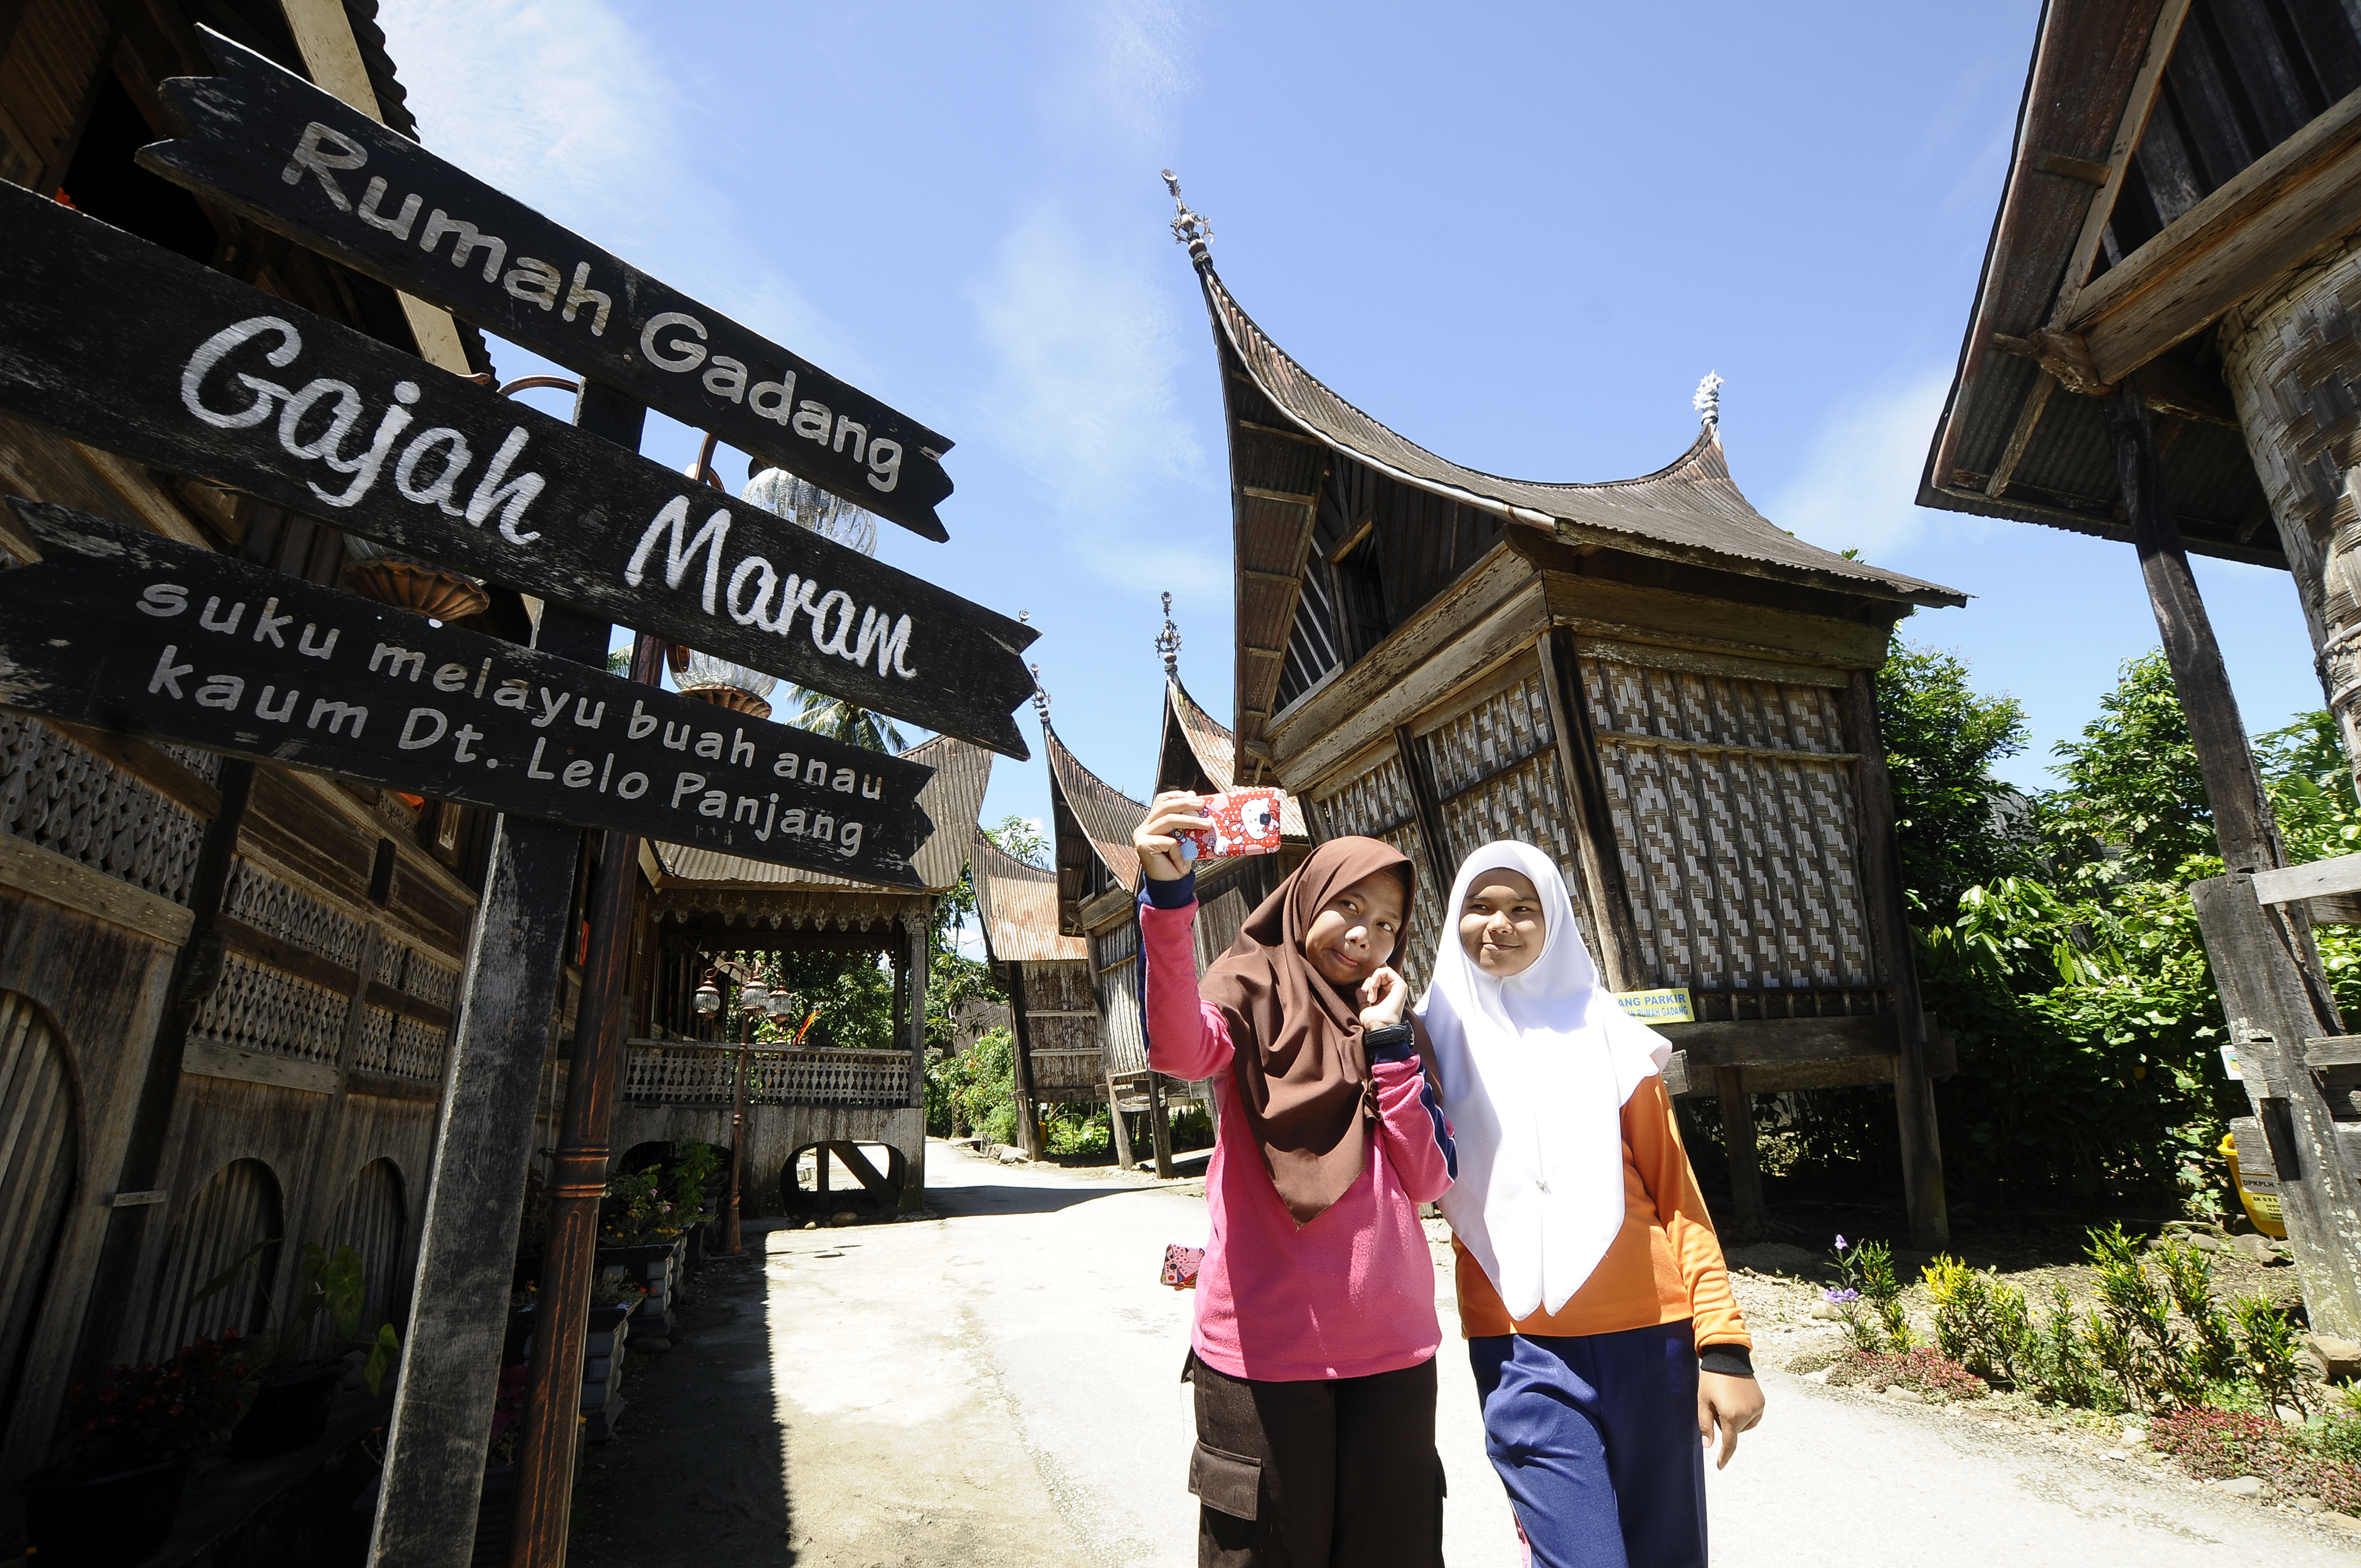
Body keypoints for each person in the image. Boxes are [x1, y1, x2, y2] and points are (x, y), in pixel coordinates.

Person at [1132, 790, 1458, 1568]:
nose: (1367, 936)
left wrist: (1388, 1050)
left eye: (1387, 924)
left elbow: (1427, 1174)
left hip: (1393, 1353)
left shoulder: (1392, 1028)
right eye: (1349, 906)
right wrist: (1168, 899)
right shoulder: (1246, 991)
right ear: (1305, 896)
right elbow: (1179, 1048)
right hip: (1262, 1354)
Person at [1417, 840, 1763, 1568]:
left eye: (1522, 909)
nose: (1498, 924)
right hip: (1518, 1345)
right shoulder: (1422, 1042)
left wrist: (1725, 1349)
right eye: (1478, 906)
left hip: (1650, 1336)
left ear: (1557, 924)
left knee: (1665, 1552)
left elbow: (1678, 1198)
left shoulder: (1609, 1034)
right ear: (1452, 920)